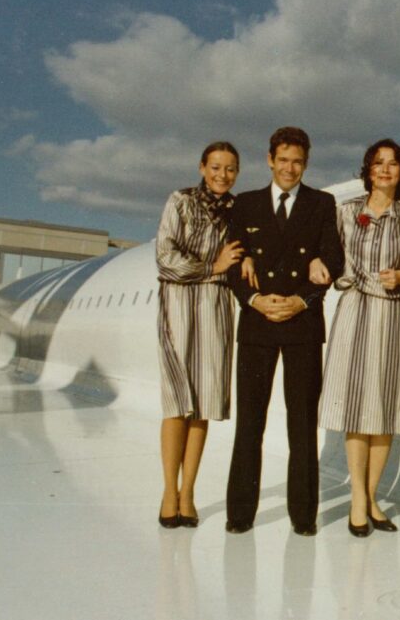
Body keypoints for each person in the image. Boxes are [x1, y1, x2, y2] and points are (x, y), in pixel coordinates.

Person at [224, 126, 343, 536]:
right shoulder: (246, 204)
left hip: (302, 325)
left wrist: (303, 299)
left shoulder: (322, 203)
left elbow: (333, 261)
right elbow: (231, 264)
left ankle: (304, 516)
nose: (290, 168)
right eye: (284, 159)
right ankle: (240, 514)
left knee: (302, 423)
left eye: (298, 161)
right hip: (257, 324)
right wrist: (254, 300)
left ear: (305, 164)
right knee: (250, 422)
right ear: (270, 159)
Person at [317, 138, 400, 537]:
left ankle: (371, 494)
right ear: (367, 170)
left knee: (385, 410)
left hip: (395, 316)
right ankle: (359, 502)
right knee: (355, 408)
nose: (384, 170)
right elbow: (327, 254)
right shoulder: (345, 212)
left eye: (393, 164)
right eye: (378, 163)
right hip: (356, 311)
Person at [155, 141, 244, 528]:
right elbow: (166, 257)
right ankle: (167, 491)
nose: (222, 175)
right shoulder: (180, 201)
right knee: (177, 401)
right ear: (202, 166)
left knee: (203, 403)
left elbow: (241, 258)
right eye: (216, 167)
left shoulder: (239, 211)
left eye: (230, 169)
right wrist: (212, 266)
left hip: (214, 308)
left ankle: (188, 492)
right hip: (178, 305)